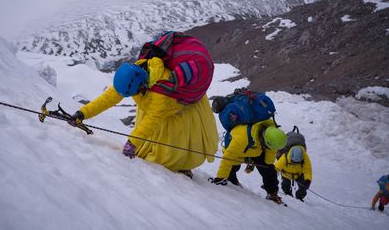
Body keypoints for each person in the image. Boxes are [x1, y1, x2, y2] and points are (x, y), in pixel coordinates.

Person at [69, 57, 219, 177]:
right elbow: (108, 98)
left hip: (179, 114)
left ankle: (183, 168)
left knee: (171, 154)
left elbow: (152, 119)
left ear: (141, 86)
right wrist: (83, 113)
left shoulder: (161, 88)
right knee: (150, 149)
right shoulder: (134, 75)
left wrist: (132, 142)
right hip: (155, 109)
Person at [210, 120, 287, 204]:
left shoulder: (272, 136)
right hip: (239, 148)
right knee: (233, 166)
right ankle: (232, 182)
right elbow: (227, 159)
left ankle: (272, 193)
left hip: (255, 149)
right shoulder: (242, 138)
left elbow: (269, 160)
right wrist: (220, 178)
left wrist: (259, 163)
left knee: (269, 169)